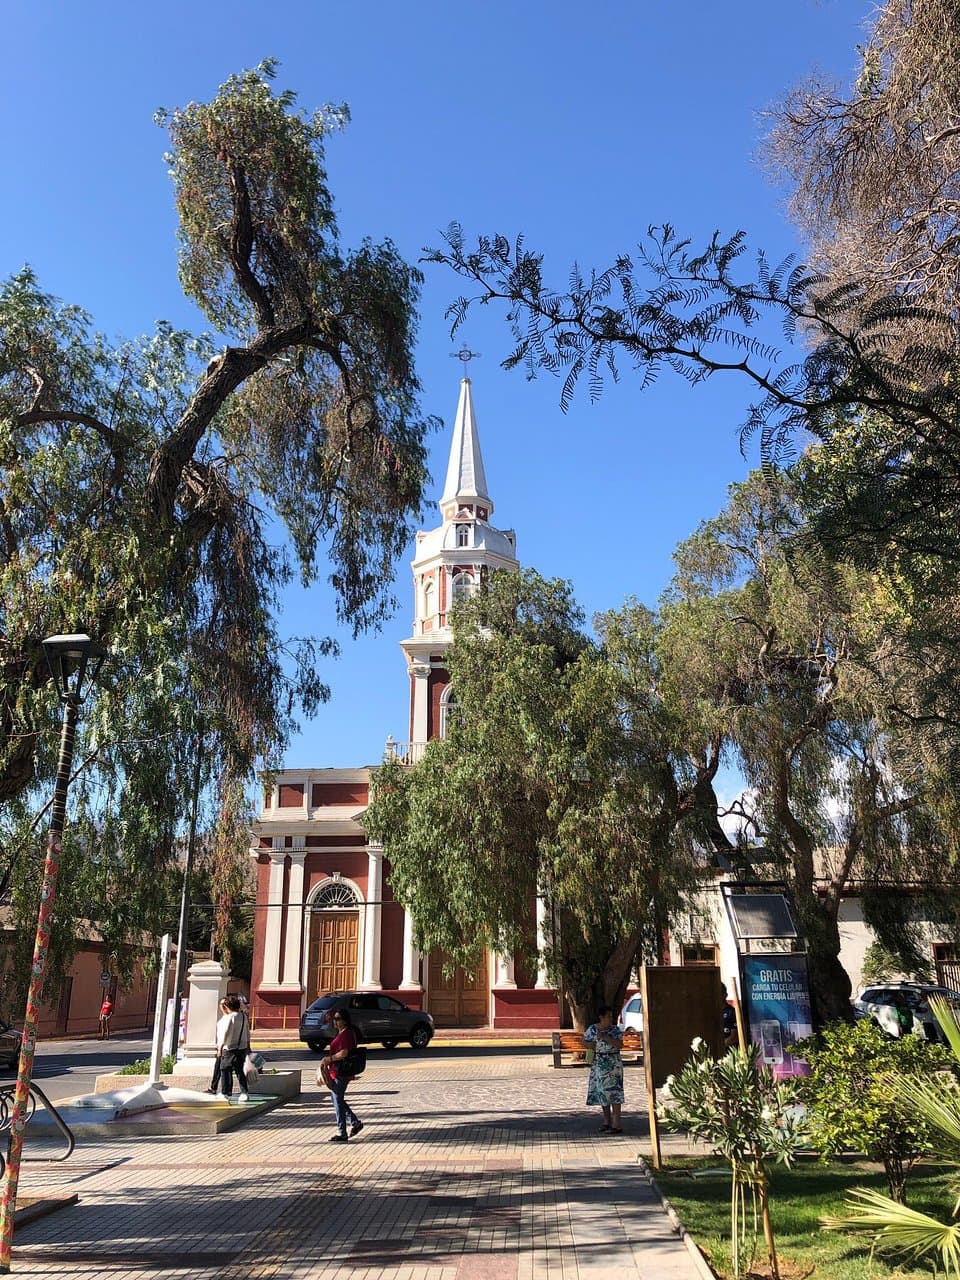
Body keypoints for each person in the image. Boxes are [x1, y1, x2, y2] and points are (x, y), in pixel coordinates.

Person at [320, 1009, 364, 1142]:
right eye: (334, 1018)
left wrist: (330, 1059)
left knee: (337, 1101)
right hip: (338, 1071)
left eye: (338, 1018)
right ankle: (355, 1122)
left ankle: (342, 1132)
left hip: (341, 1072)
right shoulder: (343, 1033)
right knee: (336, 1100)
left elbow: (344, 1053)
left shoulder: (346, 1034)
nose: (335, 1021)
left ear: (345, 1020)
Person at [584, 1005, 624, 1134]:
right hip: (599, 1064)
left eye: (612, 1016)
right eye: (608, 1016)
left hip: (613, 1064)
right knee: (602, 1092)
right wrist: (592, 1044)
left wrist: (606, 1038)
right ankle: (606, 1121)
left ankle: (616, 1123)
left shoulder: (615, 1030)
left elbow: (620, 1044)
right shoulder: (593, 1029)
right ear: (601, 1017)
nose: (610, 1019)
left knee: (615, 1092)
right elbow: (585, 1042)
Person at [215, 995, 250, 1102]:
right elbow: (247, 1032)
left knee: (225, 1069)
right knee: (240, 1070)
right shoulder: (243, 1016)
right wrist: (248, 1045)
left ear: (227, 1006)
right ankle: (244, 1092)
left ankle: (225, 1092)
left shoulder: (230, 1017)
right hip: (242, 1047)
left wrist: (220, 1047)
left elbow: (226, 1032)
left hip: (229, 1047)